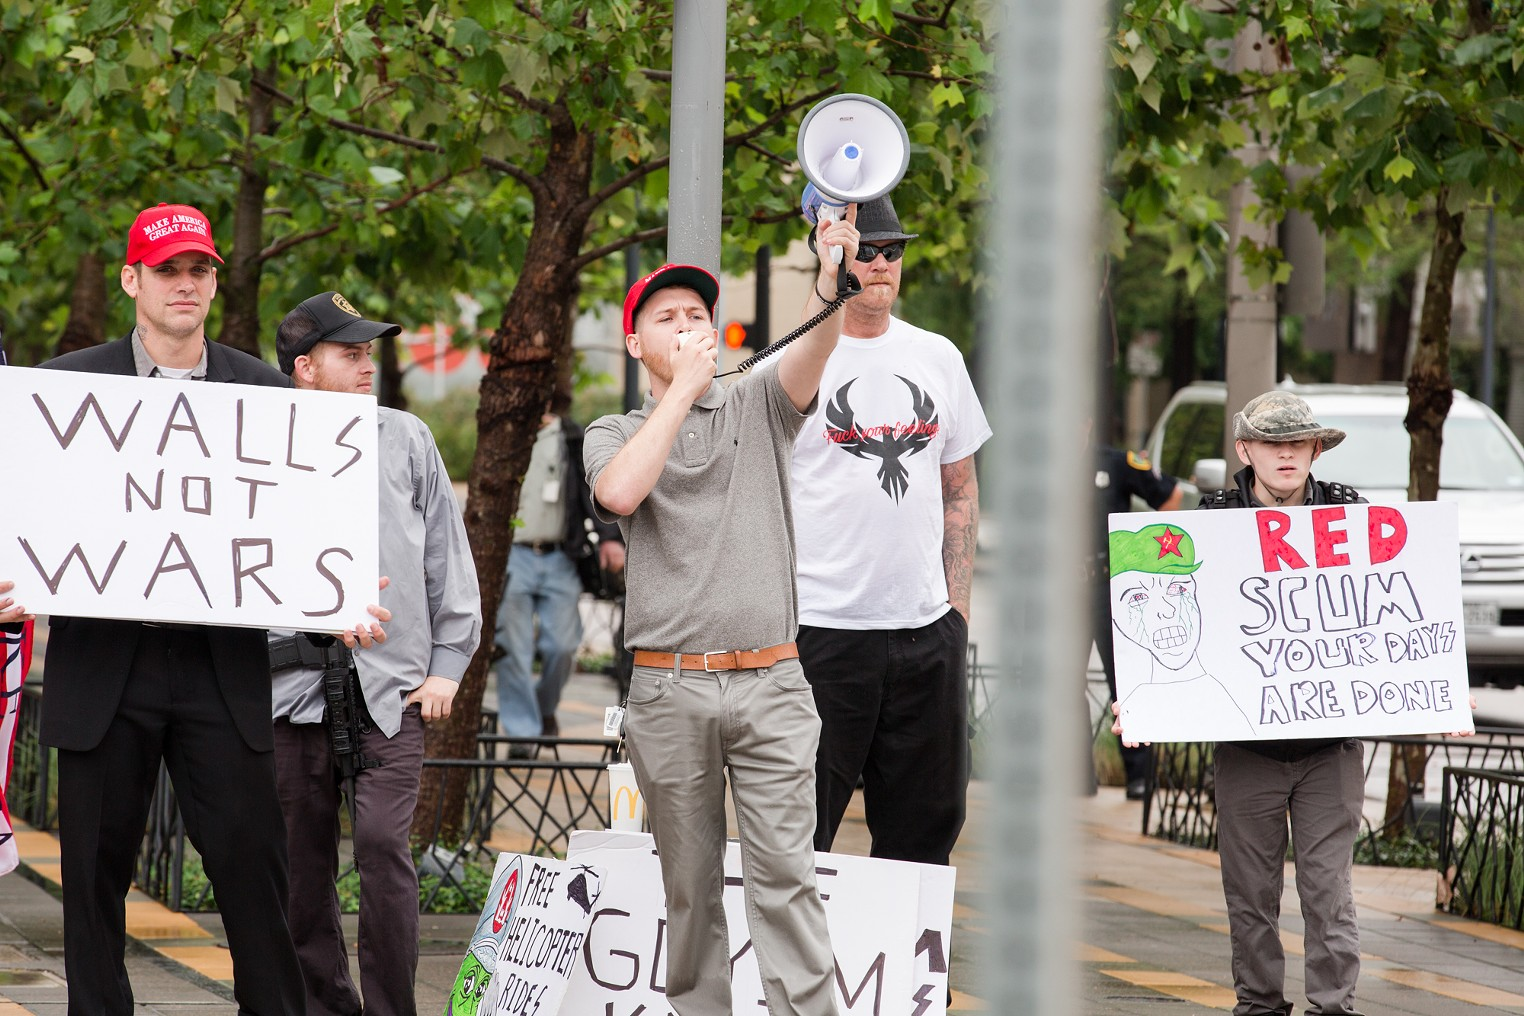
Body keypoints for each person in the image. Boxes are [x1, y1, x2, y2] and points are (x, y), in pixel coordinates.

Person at [22, 204, 386, 1015]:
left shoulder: (266, 394)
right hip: (102, 670)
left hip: (221, 672)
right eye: (167, 270)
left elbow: (300, 531)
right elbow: (28, 515)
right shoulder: (64, 387)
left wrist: (333, 600)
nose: (184, 284)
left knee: (256, 880)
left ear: (215, 283)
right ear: (132, 280)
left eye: (199, 270)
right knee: (91, 889)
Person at [582, 209, 859, 1016]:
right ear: (634, 344)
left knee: (788, 881)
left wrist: (828, 275)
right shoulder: (615, 430)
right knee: (691, 891)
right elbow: (619, 493)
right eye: (665, 318)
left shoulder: (758, 401)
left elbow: (814, 347)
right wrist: (682, 393)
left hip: (771, 682)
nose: (685, 327)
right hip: (669, 691)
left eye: (697, 315)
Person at [269, 291, 482, 1016]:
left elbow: (447, 559)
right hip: (287, 694)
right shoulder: (256, 443)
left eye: (370, 353)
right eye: (350, 353)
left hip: (391, 692)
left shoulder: (407, 437)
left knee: (386, 850)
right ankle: (326, 1006)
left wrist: (447, 667)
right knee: (300, 870)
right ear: (305, 367)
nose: (369, 366)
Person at [786, 193, 991, 866]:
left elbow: (960, 488)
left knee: (927, 829)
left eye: (892, 250)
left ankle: (907, 946)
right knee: (797, 830)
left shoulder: (939, 356)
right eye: (866, 250)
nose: (881, 263)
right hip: (821, 632)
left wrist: (955, 615)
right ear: (834, 255)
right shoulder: (793, 366)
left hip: (925, 635)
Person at [494, 404, 623, 750]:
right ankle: (522, 737)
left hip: (561, 556)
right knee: (513, 649)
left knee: (562, 646)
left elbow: (589, 489)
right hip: (514, 555)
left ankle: (543, 709)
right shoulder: (505, 433)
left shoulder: (569, 436)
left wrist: (610, 539)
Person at [1094, 443, 1182, 798]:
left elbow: (1170, 495)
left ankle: (1139, 776)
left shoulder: (1115, 462)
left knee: (1126, 679)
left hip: (1109, 585)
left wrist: (1146, 560)